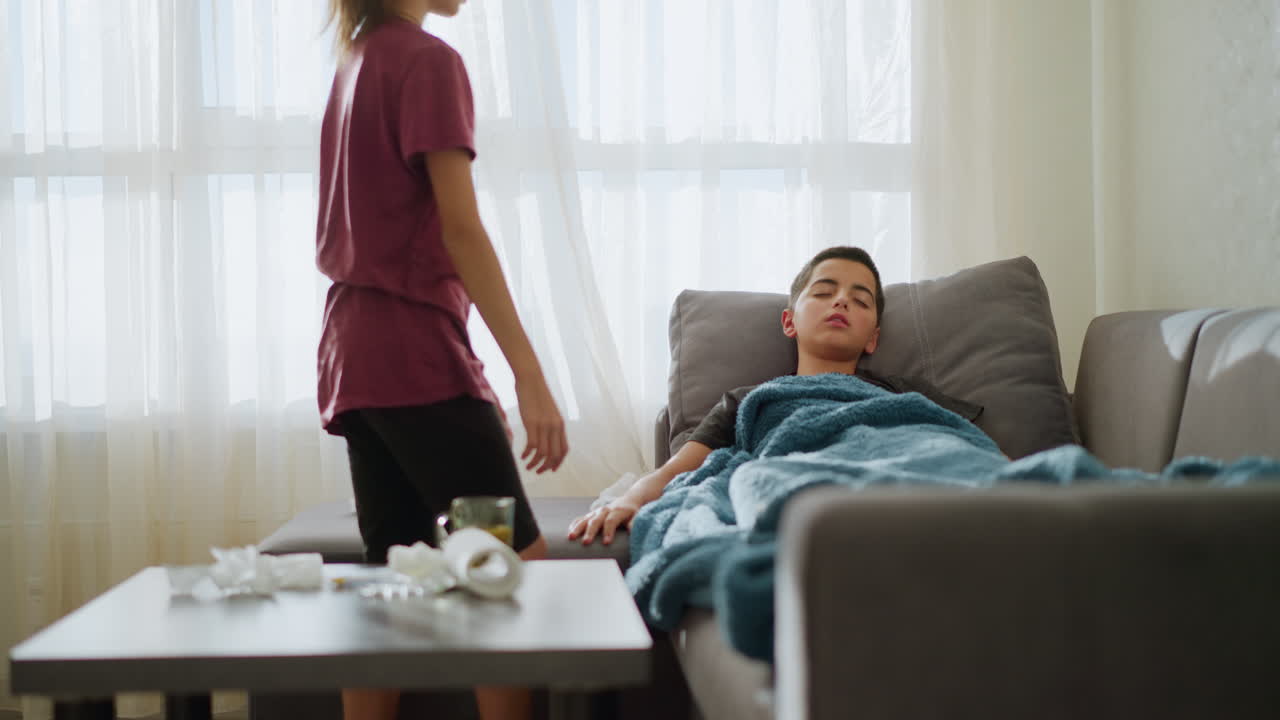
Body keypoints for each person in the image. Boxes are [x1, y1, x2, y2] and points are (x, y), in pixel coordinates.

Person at [317, 1, 567, 718]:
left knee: (393, 572)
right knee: (507, 566)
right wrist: (529, 372)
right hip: (411, 358)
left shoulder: (355, 61)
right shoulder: (427, 60)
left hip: (353, 355)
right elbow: (461, 229)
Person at [567, 245, 982, 546]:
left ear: (873, 338)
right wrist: (629, 500)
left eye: (860, 300)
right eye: (823, 292)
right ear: (790, 321)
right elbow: (677, 469)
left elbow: (961, 450)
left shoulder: (903, 394)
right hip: (816, 504)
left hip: (912, 500)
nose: (841, 301)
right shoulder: (753, 401)